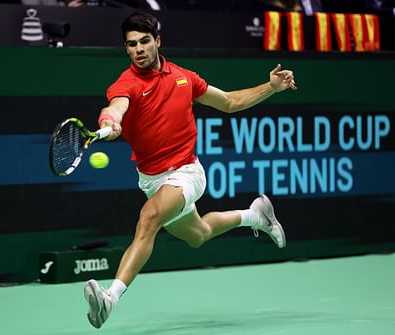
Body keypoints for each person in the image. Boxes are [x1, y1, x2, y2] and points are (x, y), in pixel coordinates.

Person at [83, 11, 297, 329]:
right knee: (199, 235)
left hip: (186, 173)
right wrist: (109, 122)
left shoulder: (185, 78)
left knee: (149, 219)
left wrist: (271, 87)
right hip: (152, 180)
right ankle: (256, 215)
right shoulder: (125, 84)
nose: (138, 49)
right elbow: (115, 107)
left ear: (157, 41)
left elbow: (229, 102)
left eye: (144, 41)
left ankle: (110, 298)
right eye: (131, 45)